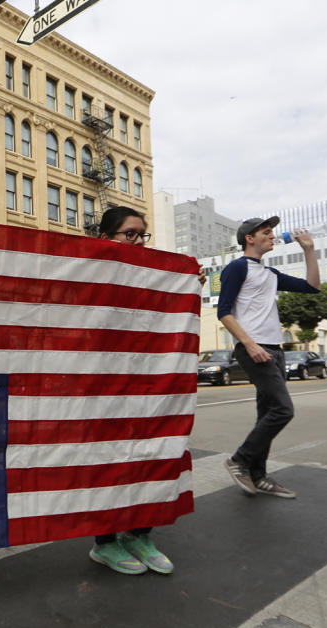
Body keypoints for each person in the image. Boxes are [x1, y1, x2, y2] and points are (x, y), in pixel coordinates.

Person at [87, 206, 205, 575]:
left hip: (147, 387)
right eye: (130, 234)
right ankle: (104, 543)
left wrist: (187, 285)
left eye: (142, 234)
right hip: (103, 389)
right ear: (107, 238)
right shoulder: (87, 273)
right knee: (106, 464)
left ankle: (140, 534)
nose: (138, 241)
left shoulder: (154, 276)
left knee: (152, 454)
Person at [219, 216, 319, 499]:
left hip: (274, 349)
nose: (273, 236)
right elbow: (223, 311)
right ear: (249, 238)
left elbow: (312, 287)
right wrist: (249, 345)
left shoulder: (270, 274)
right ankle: (239, 460)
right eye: (266, 232)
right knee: (283, 410)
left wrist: (309, 250)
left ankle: (259, 475)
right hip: (255, 348)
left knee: (267, 412)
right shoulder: (237, 268)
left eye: (273, 232)